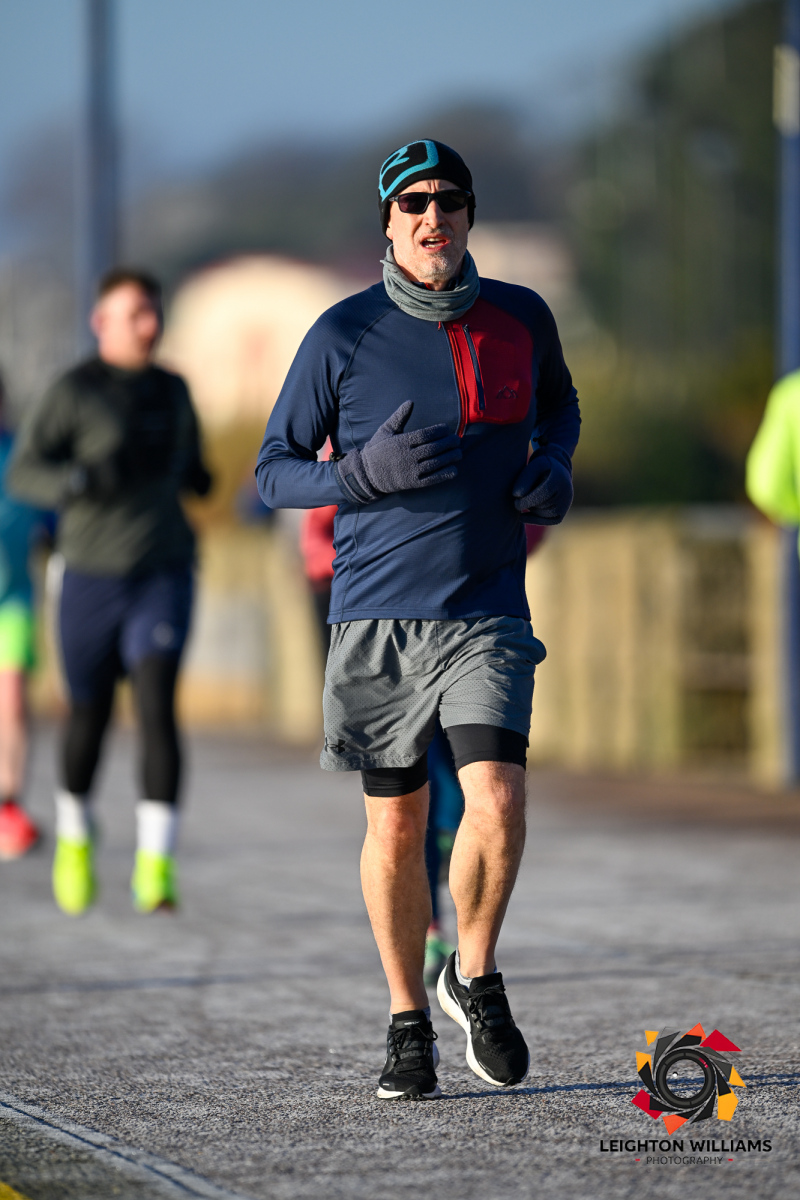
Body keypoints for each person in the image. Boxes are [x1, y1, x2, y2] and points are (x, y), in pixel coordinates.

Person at [256, 139, 579, 1100]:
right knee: (397, 829)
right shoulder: (343, 333)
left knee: (498, 800)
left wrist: (555, 468)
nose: (433, 217)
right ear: (389, 225)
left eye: (449, 200)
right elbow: (273, 472)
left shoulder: (522, 317)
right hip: (378, 619)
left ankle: (473, 974)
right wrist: (357, 475)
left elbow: (560, 407)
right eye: (413, 204)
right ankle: (407, 1022)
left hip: (486, 607)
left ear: (470, 215)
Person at [7, 268, 212, 915]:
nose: (148, 325)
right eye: (134, 314)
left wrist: (199, 476)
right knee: (88, 716)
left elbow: (195, 465)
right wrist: (77, 481)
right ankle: (75, 835)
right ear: (101, 323)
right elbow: (23, 472)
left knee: (156, 703)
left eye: (154, 312)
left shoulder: (173, 389)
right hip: (89, 574)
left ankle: (156, 863)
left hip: (162, 570)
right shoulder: (74, 391)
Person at [0, 373, 53, 860]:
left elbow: (52, 516)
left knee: (13, 701)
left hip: (12, 600)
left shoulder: (21, 456)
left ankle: (8, 804)